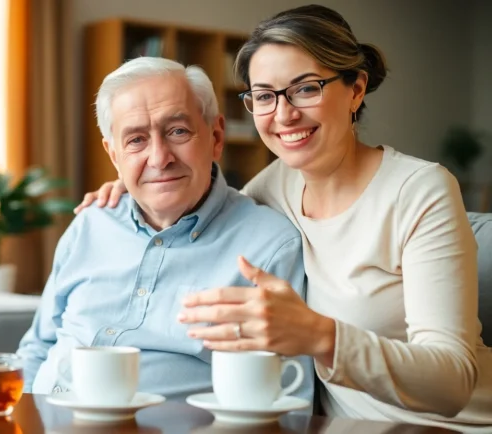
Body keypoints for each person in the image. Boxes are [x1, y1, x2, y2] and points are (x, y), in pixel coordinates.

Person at [75, 4, 492, 432]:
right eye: (264, 96)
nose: (284, 114)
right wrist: (139, 183)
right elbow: (208, 200)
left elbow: (452, 381)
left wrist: (321, 336)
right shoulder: (273, 188)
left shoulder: (420, 190)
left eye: (306, 88)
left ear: (356, 89)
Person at [0, 56, 315, 404]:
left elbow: (288, 396)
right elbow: (37, 348)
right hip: (43, 415)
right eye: (136, 140)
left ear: (215, 137)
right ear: (114, 154)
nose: (159, 158)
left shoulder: (268, 246)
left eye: (177, 131)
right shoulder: (90, 225)